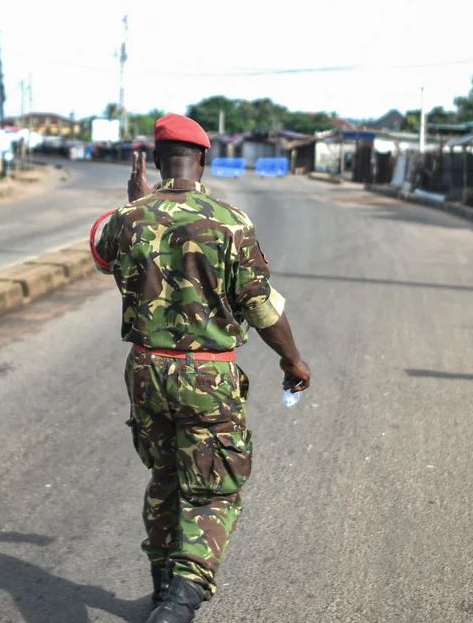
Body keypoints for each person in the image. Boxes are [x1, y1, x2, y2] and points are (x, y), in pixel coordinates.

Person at [95, 113, 311, 623]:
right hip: (206, 377)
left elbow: (105, 259)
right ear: (204, 158)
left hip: (146, 371)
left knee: (166, 473)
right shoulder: (229, 222)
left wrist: (135, 202)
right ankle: (179, 601)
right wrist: (292, 359)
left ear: (158, 157)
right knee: (212, 487)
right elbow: (260, 306)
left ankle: (161, 587)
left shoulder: (128, 218)